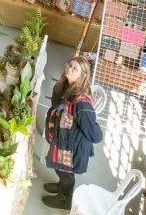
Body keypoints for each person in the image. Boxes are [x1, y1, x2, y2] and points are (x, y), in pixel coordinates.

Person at [42, 56, 103, 210]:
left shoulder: (82, 103)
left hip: (72, 147)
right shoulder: (65, 87)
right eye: (69, 64)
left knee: (66, 174)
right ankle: (61, 186)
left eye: (75, 68)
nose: (69, 68)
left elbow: (95, 135)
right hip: (64, 140)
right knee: (60, 170)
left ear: (82, 76)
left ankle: (64, 200)